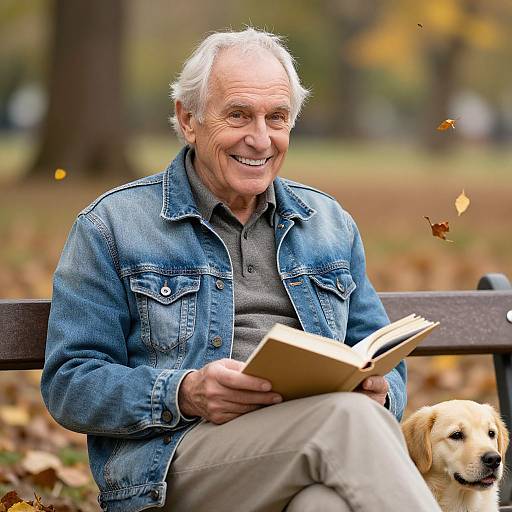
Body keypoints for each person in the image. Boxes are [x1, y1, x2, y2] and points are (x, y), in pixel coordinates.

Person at [41, 28, 441, 512]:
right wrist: (184, 391)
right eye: (238, 115)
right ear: (188, 119)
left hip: (314, 448)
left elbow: (385, 358)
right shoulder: (112, 225)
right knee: (345, 419)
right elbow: (70, 383)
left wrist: (381, 391)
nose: (260, 139)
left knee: (324, 504)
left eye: (277, 118)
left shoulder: (328, 224)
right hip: (176, 465)